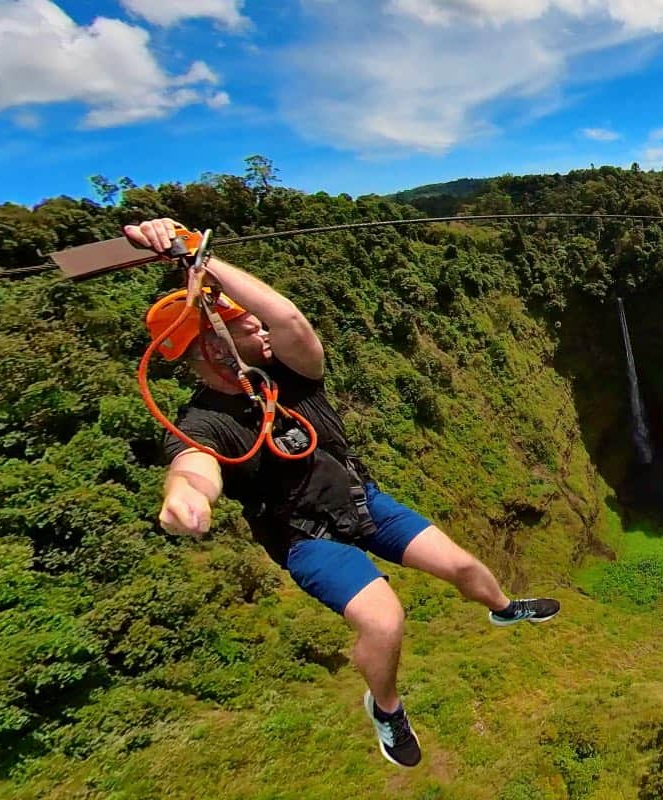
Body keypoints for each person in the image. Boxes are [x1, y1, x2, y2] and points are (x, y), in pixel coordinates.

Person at [127, 218, 560, 769]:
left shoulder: (291, 376)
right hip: (305, 538)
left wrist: (200, 258)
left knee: (467, 569)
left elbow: (290, 320)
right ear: (213, 346)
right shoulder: (202, 422)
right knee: (384, 619)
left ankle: (502, 609)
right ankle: (387, 708)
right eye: (244, 326)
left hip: (361, 500)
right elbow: (193, 466)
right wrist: (187, 496)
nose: (262, 329)